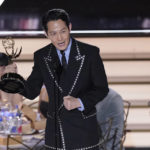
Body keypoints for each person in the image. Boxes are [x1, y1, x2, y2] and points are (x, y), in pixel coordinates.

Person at [5, 9, 109, 150]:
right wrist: (13, 78)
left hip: (84, 133)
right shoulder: (42, 56)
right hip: (55, 135)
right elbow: (31, 91)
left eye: (63, 31)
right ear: (46, 34)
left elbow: (101, 88)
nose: (59, 38)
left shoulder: (89, 53)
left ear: (70, 28)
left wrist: (80, 102)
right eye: (53, 34)